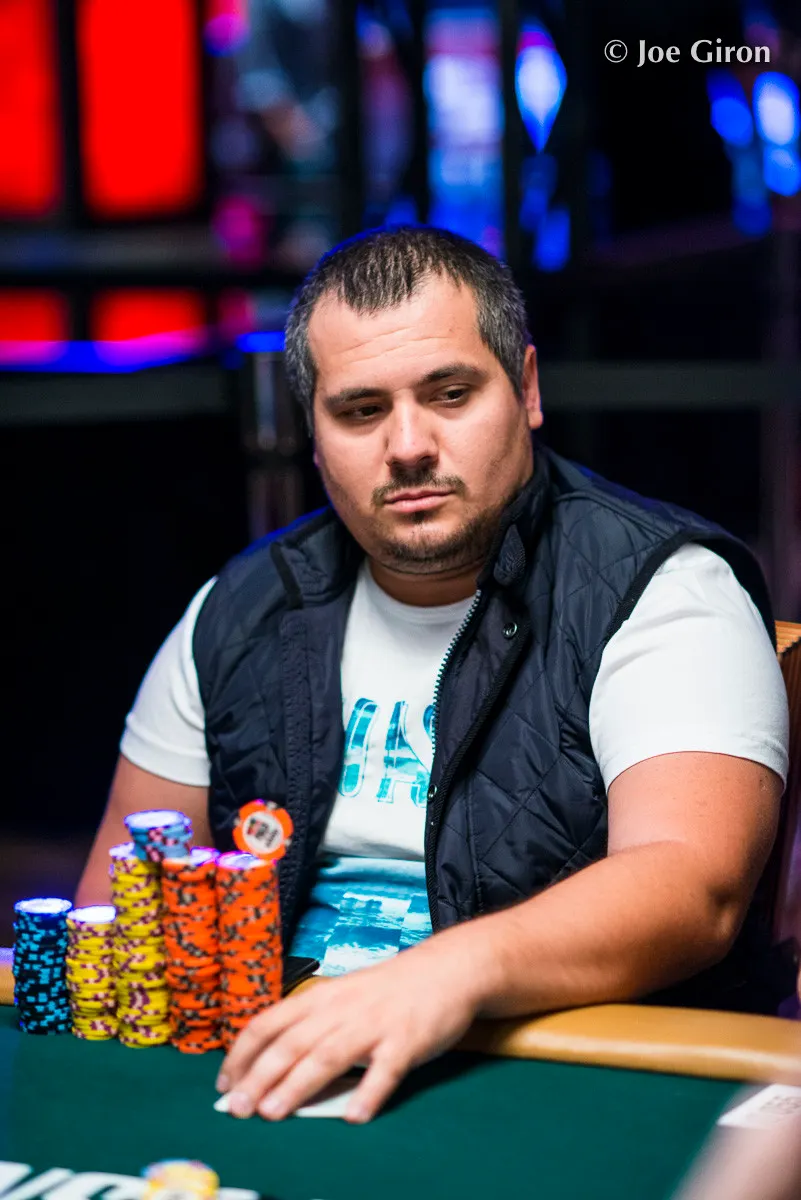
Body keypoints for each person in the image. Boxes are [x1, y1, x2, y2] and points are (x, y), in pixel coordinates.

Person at [76, 226, 790, 1124]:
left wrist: (440, 974)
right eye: (360, 410)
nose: (408, 445)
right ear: (313, 431)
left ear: (525, 389)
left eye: (450, 394)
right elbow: (115, 905)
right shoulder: (237, 608)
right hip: (273, 1067)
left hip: (558, 1080)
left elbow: (689, 886)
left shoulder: (660, 587)